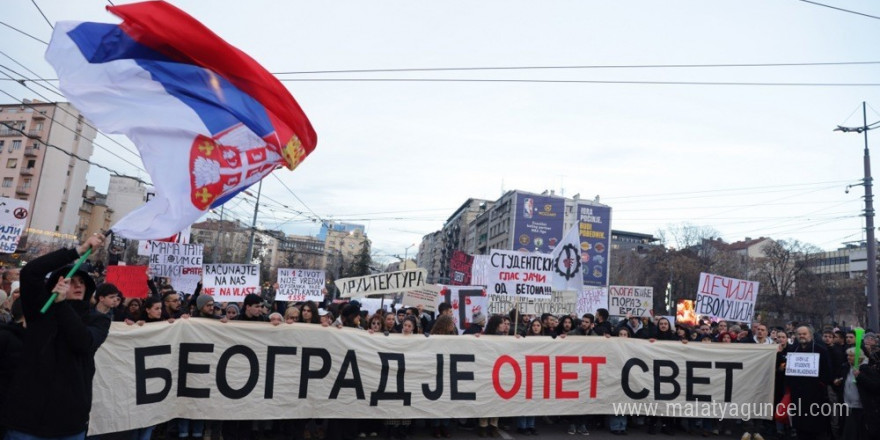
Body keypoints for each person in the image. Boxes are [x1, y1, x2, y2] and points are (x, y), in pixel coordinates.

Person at [0, 233, 108, 439]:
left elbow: (83, 343)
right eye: (71, 281)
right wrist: (78, 251)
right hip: (25, 421)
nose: (77, 285)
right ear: (57, 286)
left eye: (82, 283)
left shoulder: (98, 320)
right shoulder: (40, 310)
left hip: (69, 423)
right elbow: (31, 272)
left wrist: (61, 306)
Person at [783, 326, 833, 440]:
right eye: (799, 334)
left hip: (815, 394)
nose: (802, 336)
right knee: (799, 423)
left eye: (804, 334)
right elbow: (788, 372)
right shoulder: (793, 350)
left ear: (810, 335)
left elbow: (828, 372)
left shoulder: (821, 350)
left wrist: (820, 383)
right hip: (797, 393)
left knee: (814, 424)